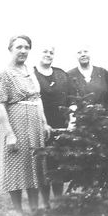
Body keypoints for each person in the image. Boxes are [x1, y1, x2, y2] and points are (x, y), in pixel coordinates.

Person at [0, 35, 51, 216]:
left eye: (27, 47)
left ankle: (34, 209)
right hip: (15, 124)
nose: (23, 51)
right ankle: (18, 213)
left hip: (34, 125)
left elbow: (37, 99)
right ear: (10, 49)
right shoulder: (3, 73)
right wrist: (10, 134)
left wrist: (44, 122)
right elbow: (0, 106)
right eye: (19, 47)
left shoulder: (29, 71)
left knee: (34, 165)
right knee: (15, 167)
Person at [34, 45, 75, 200]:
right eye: (45, 51)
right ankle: (45, 202)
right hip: (40, 125)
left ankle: (58, 199)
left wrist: (72, 119)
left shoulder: (61, 74)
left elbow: (71, 98)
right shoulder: (32, 74)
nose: (48, 54)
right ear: (38, 53)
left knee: (59, 163)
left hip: (61, 125)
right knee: (43, 164)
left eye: (51, 52)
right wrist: (42, 123)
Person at [67, 45, 108, 118]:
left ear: (90, 53)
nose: (83, 54)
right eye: (79, 53)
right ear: (75, 56)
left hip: (103, 120)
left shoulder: (103, 72)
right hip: (81, 122)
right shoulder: (69, 75)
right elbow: (69, 100)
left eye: (85, 51)